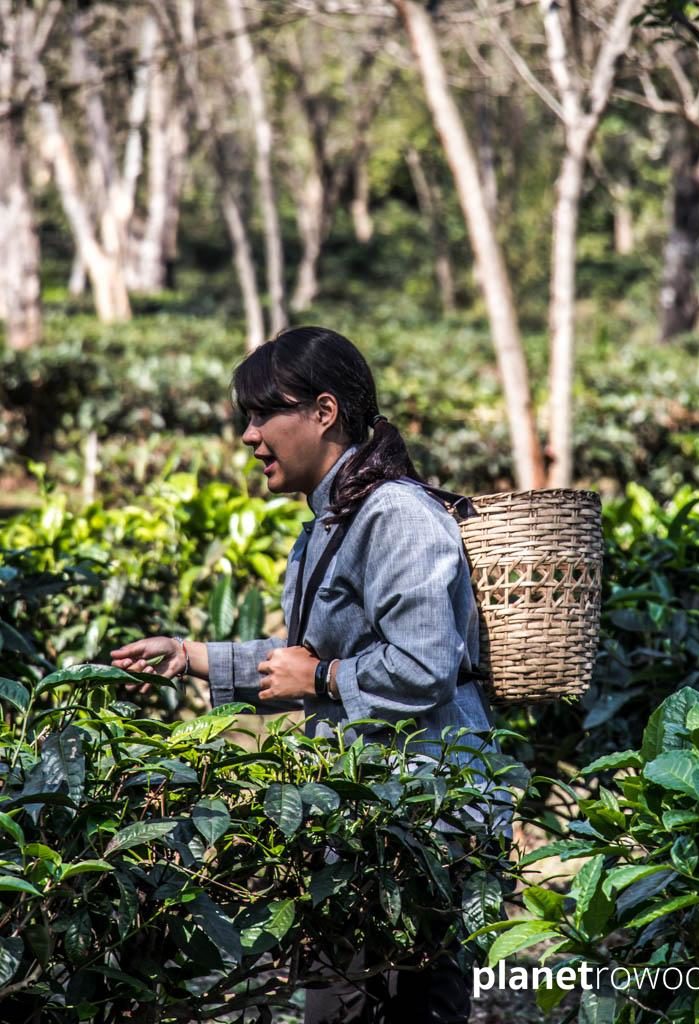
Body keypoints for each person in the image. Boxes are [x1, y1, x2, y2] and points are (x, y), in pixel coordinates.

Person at [110, 325, 498, 1024]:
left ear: (324, 412)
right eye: (245, 417)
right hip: (373, 816)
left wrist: (320, 679)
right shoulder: (331, 517)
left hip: (430, 815)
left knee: (396, 1004)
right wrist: (188, 655)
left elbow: (422, 665)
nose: (249, 435)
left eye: (264, 414)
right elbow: (304, 658)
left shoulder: (396, 515)